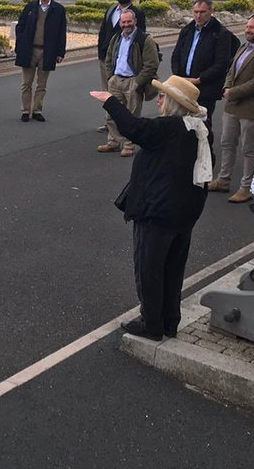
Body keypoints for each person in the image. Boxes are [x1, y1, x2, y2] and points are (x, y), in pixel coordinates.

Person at [89, 75, 210, 341]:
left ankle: (151, 324)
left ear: (174, 104)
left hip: (159, 211)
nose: (159, 100)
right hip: (184, 211)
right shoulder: (196, 128)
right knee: (173, 269)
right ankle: (169, 321)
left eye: (164, 96)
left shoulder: (169, 128)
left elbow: (133, 128)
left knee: (150, 269)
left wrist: (110, 101)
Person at [209, 14, 254, 204]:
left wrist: (233, 92)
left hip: (252, 107)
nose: (248, 30)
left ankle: (246, 187)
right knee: (227, 143)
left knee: (249, 148)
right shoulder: (243, 47)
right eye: (247, 27)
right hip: (232, 105)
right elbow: (231, 71)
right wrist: (226, 88)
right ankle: (223, 180)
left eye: (252, 28)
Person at [99, 8, 160, 157]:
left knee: (131, 117)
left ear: (135, 22)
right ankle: (113, 142)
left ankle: (128, 145)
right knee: (111, 114)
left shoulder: (145, 40)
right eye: (123, 22)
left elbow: (152, 64)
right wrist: (110, 77)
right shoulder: (116, 38)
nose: (126, 25)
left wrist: (137, 82)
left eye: (129, 21)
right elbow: (109, 58)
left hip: (133, 81)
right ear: (120, 22)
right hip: (116, 81)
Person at [170, 0, 236, 131]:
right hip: (184, 86)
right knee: (182, 125)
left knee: (202, 126)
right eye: (195, 12)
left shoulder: (220, 34)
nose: (198, 16)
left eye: (203, 12)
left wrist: (200, 79)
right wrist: (179, 77)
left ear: (211, 11)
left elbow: (221, 64)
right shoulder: (187, 30)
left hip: (205, 89)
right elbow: (176, 55)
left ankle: (206, 151)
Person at [12, 0, 67, 122]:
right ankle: (25, 110)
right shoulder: (30, 7)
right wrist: (21, 43)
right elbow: (20, 26)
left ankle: (37, 110)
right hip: (29, 50)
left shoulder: (58, 10)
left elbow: (62, 33)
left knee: (42, 84)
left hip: (47, 52)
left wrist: (60, 53)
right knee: (26, 83)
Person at [95, 0, 146, 131]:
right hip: (107, 57)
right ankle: (110, 124)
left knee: (128, 97)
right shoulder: (111, 10)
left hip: (126, 61)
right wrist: (101, 51)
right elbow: (103, 31)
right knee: (109, 92)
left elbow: (140, 36)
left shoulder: (137, 13)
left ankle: (127, 126)